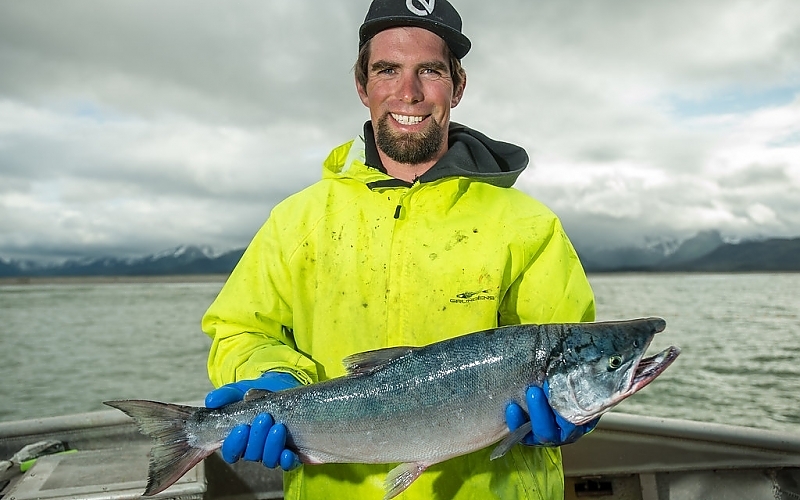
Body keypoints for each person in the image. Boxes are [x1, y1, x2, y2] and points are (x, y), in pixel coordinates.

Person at [201, 0, 597, 498]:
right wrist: (271, 377)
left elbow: (573, 355)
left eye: (429, 71)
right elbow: (240, 330)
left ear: (458, 85)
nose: (408, 93)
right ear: (362, 86)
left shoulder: (529, 225)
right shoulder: (296, 221)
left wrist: (577, 412)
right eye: (387, 70)